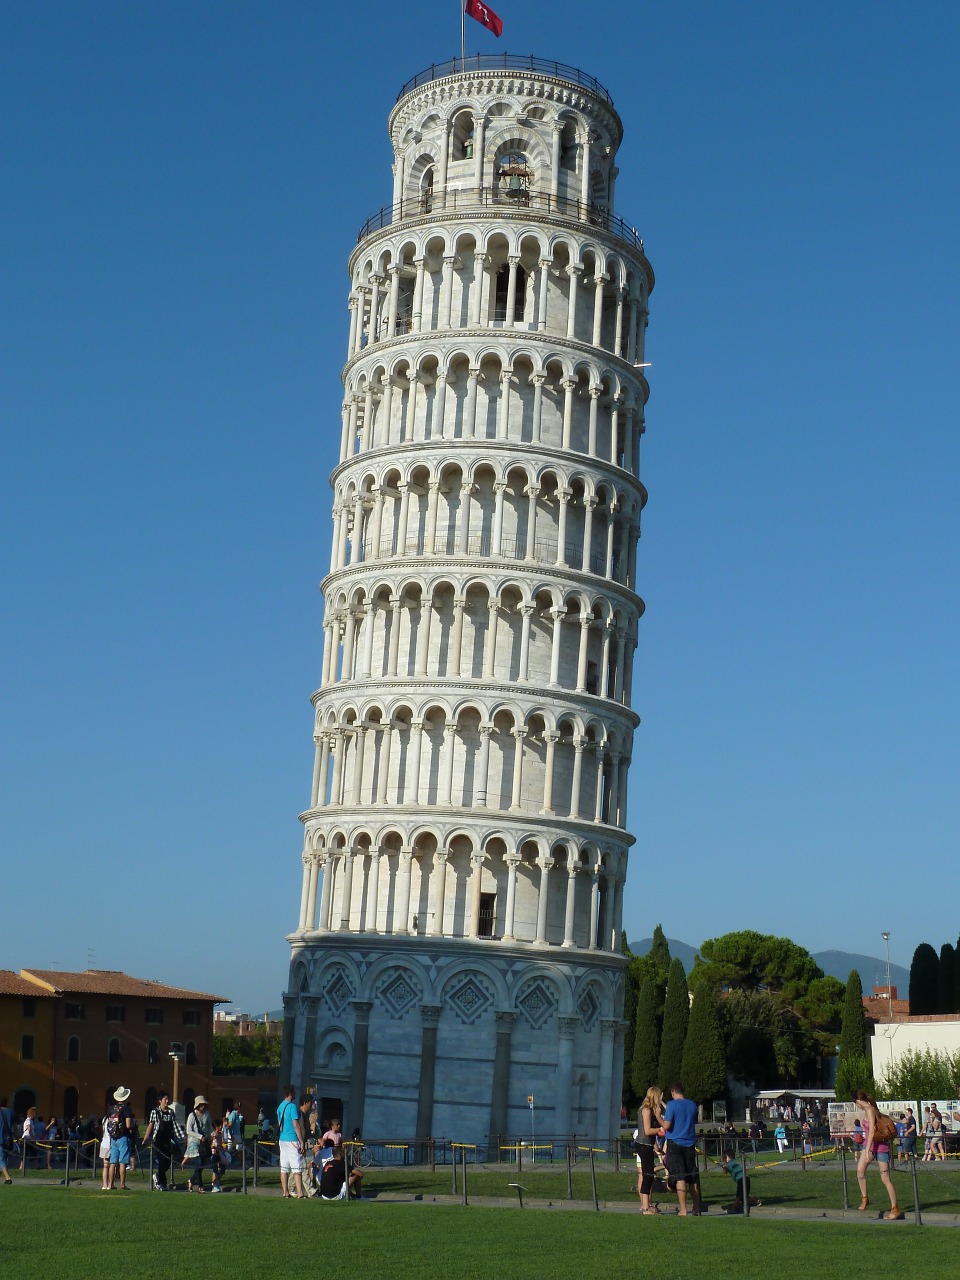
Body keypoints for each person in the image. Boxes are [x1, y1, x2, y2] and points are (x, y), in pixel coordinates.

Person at [853, 1089, 902, 1220]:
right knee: (860, 1170)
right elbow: (885, 1116)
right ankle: (864, 1198)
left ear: (858, 1101)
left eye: (855, 1103)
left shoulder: (869, 1109)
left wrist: (868, 1149)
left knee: (885, 1178)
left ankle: (895, 1208)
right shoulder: (870, 1109)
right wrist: (901, 1121)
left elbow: (873, 1130)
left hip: (879, 1146)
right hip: (869, 1144)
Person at [661, 1081, 701, 1216]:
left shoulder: (672, 1105)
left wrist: (657, 1116)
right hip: (689, 1142)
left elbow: (666, 1126)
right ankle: (696, 1207)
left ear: (673, 1092)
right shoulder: (692, 1105)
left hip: (675, 1142)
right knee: (692, 1175)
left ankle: (683, 1209)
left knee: (680, 1176)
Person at [143, 1092, 185, 1191]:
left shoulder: (171, 1112)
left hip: (168, 1139)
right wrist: (146, 1138)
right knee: (162, 1161)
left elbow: (175, 1126)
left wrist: (181, 1137)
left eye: (168, 1099)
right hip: (158, 1140)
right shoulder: (155, 1112)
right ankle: (162, 1183)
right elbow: (151, 1125)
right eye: (165, 1099)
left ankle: (157, 1176)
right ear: (160, 1100)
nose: (167, 1101)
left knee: (168, 1162)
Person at [635, 1086, 665, 1215]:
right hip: (643, 1145)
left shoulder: (649, 1110)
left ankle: (647, 1205)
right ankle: (645, 1207)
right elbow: (647, 1130)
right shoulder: (646, 1110)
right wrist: (660, 1130)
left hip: (647, 1144)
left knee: (649, 1175)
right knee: (647, 1175)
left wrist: (657, 1147)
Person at [276, 1085, 306, 1199]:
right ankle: (300, 1193)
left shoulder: (280, 1107)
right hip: (292, 1139)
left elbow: (280, 1125)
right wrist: (301, 1141)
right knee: (297, 1167)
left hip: (282, 1139)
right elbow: (296, 1124)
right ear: (291, 1093)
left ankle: (285, 1192)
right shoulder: (293, 1107)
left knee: (284, 1167)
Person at [183, 1096, 214, 1193]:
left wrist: (211, 1136)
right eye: (201, 1105)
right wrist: (199, 1136)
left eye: (204, 1104)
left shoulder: (207, 1114)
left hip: (204, 1143)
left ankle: (191, 1181)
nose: (203, 1106)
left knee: (202, 1165)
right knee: (199, 1163)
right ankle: (200, 1187)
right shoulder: (191, 1115)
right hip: (193, 1142)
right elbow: (188, 1130)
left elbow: (209, 1126)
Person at [106, 1087, 136, 1190]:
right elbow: (128, 1125)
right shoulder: (126, 1109)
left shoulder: (111, 1108)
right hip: (123, 1137)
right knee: (123, 1161)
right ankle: (122, 1184)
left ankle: (110, 1184)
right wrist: (132, 1127)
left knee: (113, 1162)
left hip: (113, 1137)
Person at [0, 1097, 14, 1185]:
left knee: (1, 1159)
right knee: (4, 1157)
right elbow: (15, 1126)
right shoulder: (11, 1112)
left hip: (0, 1138)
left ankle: (8, 1178)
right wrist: (18, 1136)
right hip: (8, 1139)